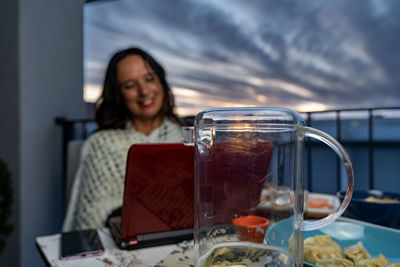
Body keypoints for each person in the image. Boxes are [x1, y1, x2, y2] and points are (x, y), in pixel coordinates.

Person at [63, 47, 185, 231]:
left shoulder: (188, 139)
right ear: (118, 94)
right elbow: (91, 217)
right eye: (130, 85)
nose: (144, 91)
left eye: (149, 78)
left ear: (161, 81)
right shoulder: (102, 144)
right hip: (126, 247)